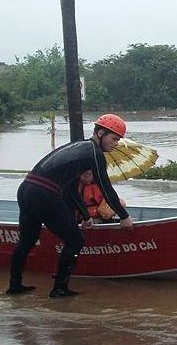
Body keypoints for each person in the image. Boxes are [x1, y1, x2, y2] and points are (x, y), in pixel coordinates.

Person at [6, 114, 133, 298]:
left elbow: (70, 189)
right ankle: (59, 288)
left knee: (27, 240)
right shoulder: (94, 154)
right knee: (75, 240)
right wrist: (124, 216)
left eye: (118, 140)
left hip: (27, 189)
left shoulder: (78, 147)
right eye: (113, 139)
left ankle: (14, 286)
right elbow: (106, 188)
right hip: (44, 194)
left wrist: (85, 215)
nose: (115, 144)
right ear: (100, 133)